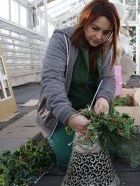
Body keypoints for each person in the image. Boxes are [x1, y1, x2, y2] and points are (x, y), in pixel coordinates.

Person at [37, 0, 120, 171]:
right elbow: (51, 80)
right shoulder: (62, 40)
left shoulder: (105, 46)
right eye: (95, 28)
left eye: (106, 32)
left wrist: (104, 98)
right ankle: (52, 137)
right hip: (59, 114)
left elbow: (108, 78)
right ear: (84, 22)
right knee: (73, 162)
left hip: (89, 112)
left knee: (109, 153)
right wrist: (69, 116)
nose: (99, 37)